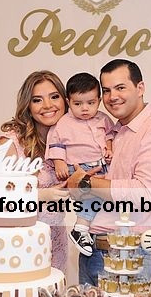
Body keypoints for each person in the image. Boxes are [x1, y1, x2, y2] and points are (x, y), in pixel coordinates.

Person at [66, 59, 151, 286]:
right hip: (93, 248)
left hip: (126, 253)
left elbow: (146, 193)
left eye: (120, 88)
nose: (112, 97)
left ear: (140, 88)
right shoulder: (114, 130)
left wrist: (86, 182)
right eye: (106, 90)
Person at [0, 70, 70, 272]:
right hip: (19, 242)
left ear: (65, 101)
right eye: (37, 100)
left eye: (54, 97)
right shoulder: (11, 143)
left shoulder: (70, 141)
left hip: (56, 240)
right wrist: (41, 195)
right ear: (28, 106)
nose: (47, 105)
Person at [45, 72, 114, 257]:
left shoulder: (103, 119)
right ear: (68, 102)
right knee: (93, 194)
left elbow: (110, 135)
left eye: (91, 103)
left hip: (101, 165)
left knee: (109, 194)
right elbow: (56, 144)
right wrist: (59, 162)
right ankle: (81, 228)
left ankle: (89, 229)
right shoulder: (63, 123)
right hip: (77, 168)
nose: (85, 108)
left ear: (99, 101)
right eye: (78, 104)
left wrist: (109, 148)